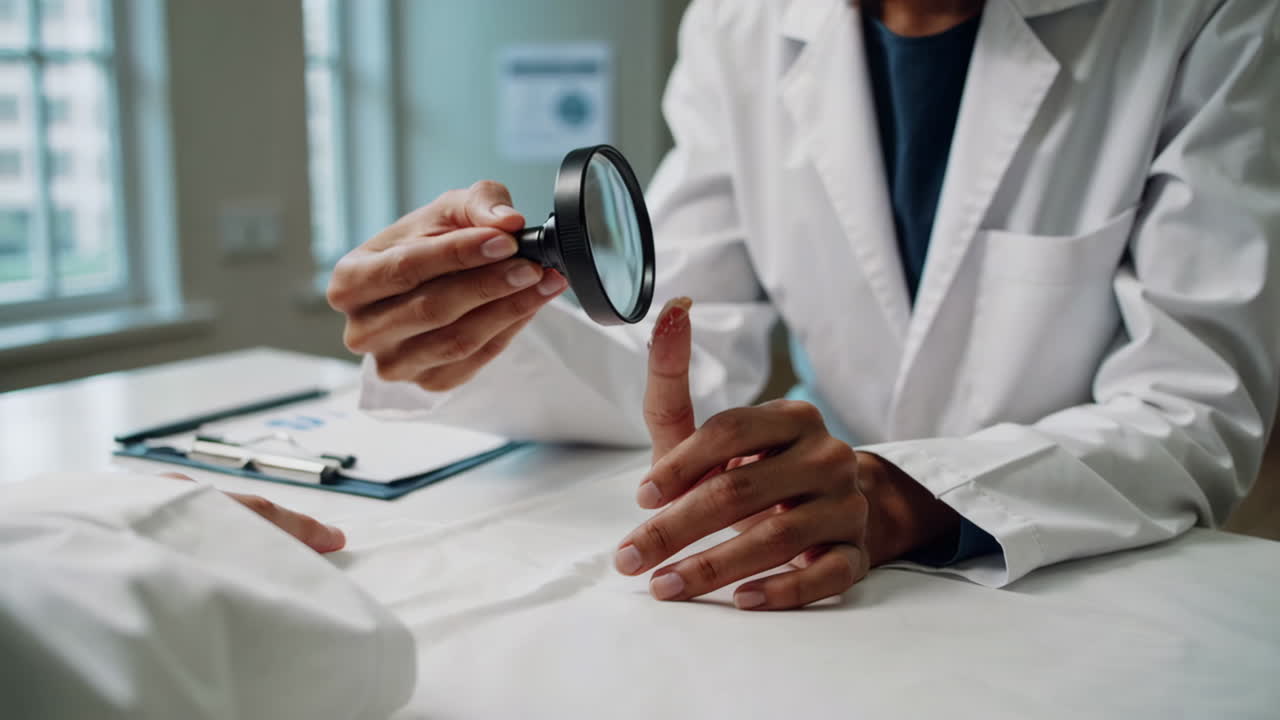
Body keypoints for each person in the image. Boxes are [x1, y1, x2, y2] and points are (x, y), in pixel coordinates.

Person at [328, 0, 1280, 609]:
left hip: (1099, 585)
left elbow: (1191, 410)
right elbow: (684, 350)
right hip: (831, 589)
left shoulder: (1211, 18)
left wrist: (903, 496)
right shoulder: (737, 26)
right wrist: (465, 328)